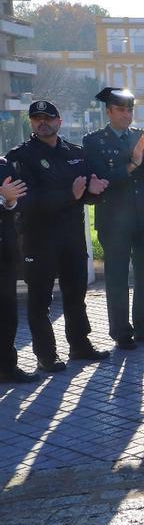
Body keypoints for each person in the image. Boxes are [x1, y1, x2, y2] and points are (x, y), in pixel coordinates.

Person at [5, 100, 110, 373]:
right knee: (40, 299)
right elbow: (26, 200)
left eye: (47, 118)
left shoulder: (75, 152)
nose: (42, 122)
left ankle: (79, 345)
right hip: (39, 238)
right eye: (36, 118)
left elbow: (85, 190)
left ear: (59, 121)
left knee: (76, 294)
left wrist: (95, 191)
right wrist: (70, 195)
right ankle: (46, 355)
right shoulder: (20, 156)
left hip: (71, 236)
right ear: (31, 123)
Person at [82, 87, 144, 349]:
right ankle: (121, 332)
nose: (127, 114)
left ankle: (143, 326)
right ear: (108, 111)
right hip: (114, 218)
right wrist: (132, 164)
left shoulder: (143, 135)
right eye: (121, 110)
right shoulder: (94, 141)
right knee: (117, 276)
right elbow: (101, 178)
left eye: (130, 109)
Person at [0, 153, 34, 382]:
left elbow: (14, 203)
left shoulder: (3, 166)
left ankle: (7, 367)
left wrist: (9, 201)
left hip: (5, 251)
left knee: (8, 313)